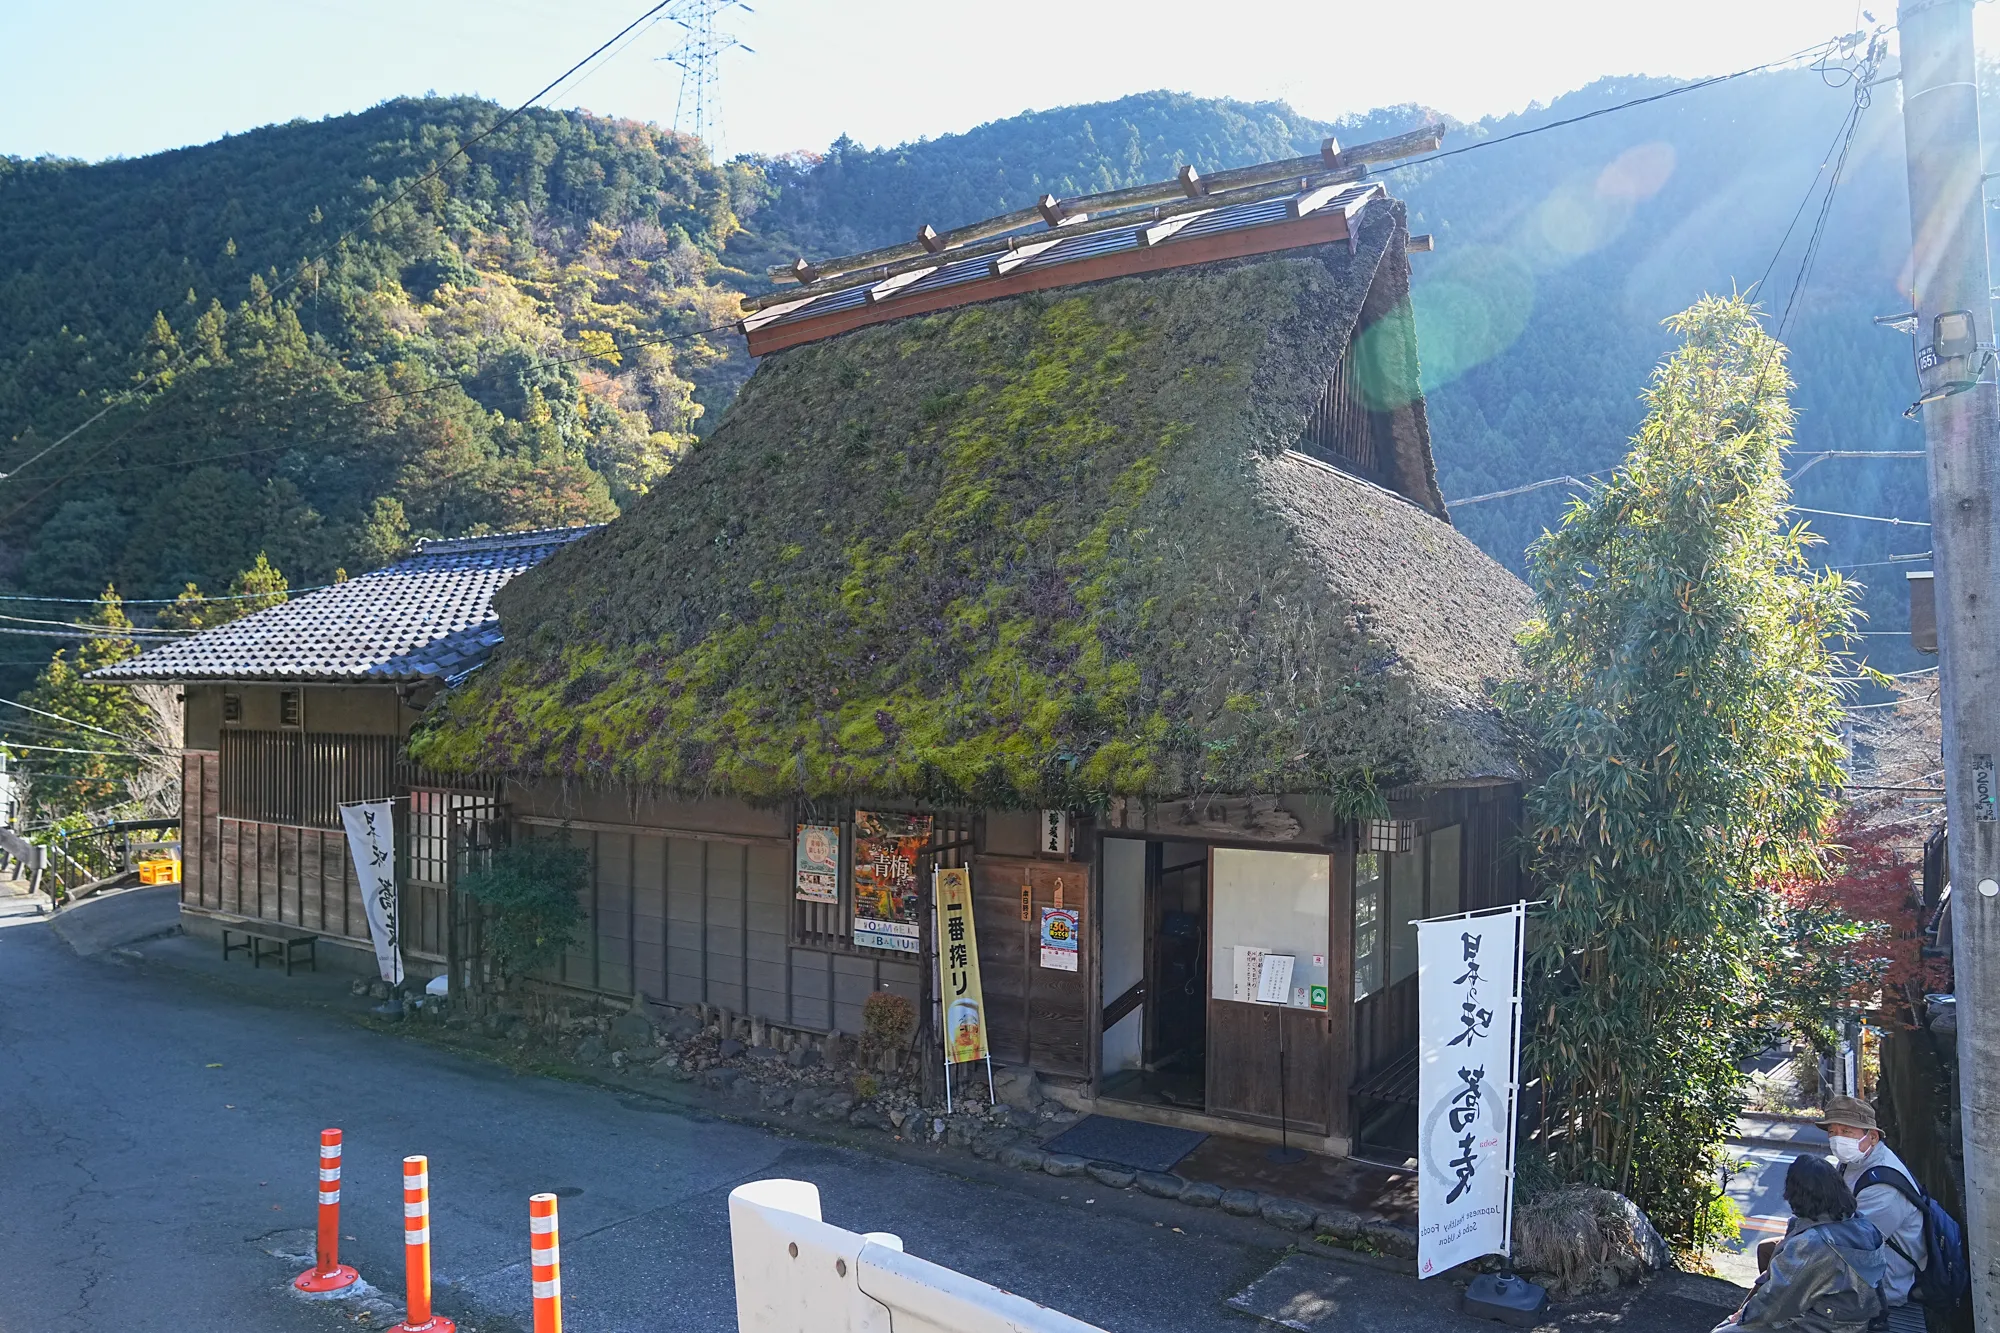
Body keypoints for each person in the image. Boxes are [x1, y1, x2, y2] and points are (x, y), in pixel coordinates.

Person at [1717, 1154, 1888, 1333]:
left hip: (1824, 1324)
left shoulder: (1813, 1243)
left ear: (1797, 1192)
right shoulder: (1863, 1225)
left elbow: (1776, 1300)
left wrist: (1741, 1317)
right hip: (1856, 1318)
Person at [1819, 1094, 1926, 1310]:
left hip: (1884, 1285)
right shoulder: (1855, 1161)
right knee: (1774, 1252)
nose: (1838, 1139)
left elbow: (1853, 1243)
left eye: (1847, 1131)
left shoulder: (1883, 1186)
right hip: (1859, 1266)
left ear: (1873, 1137)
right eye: (1832, 1132)